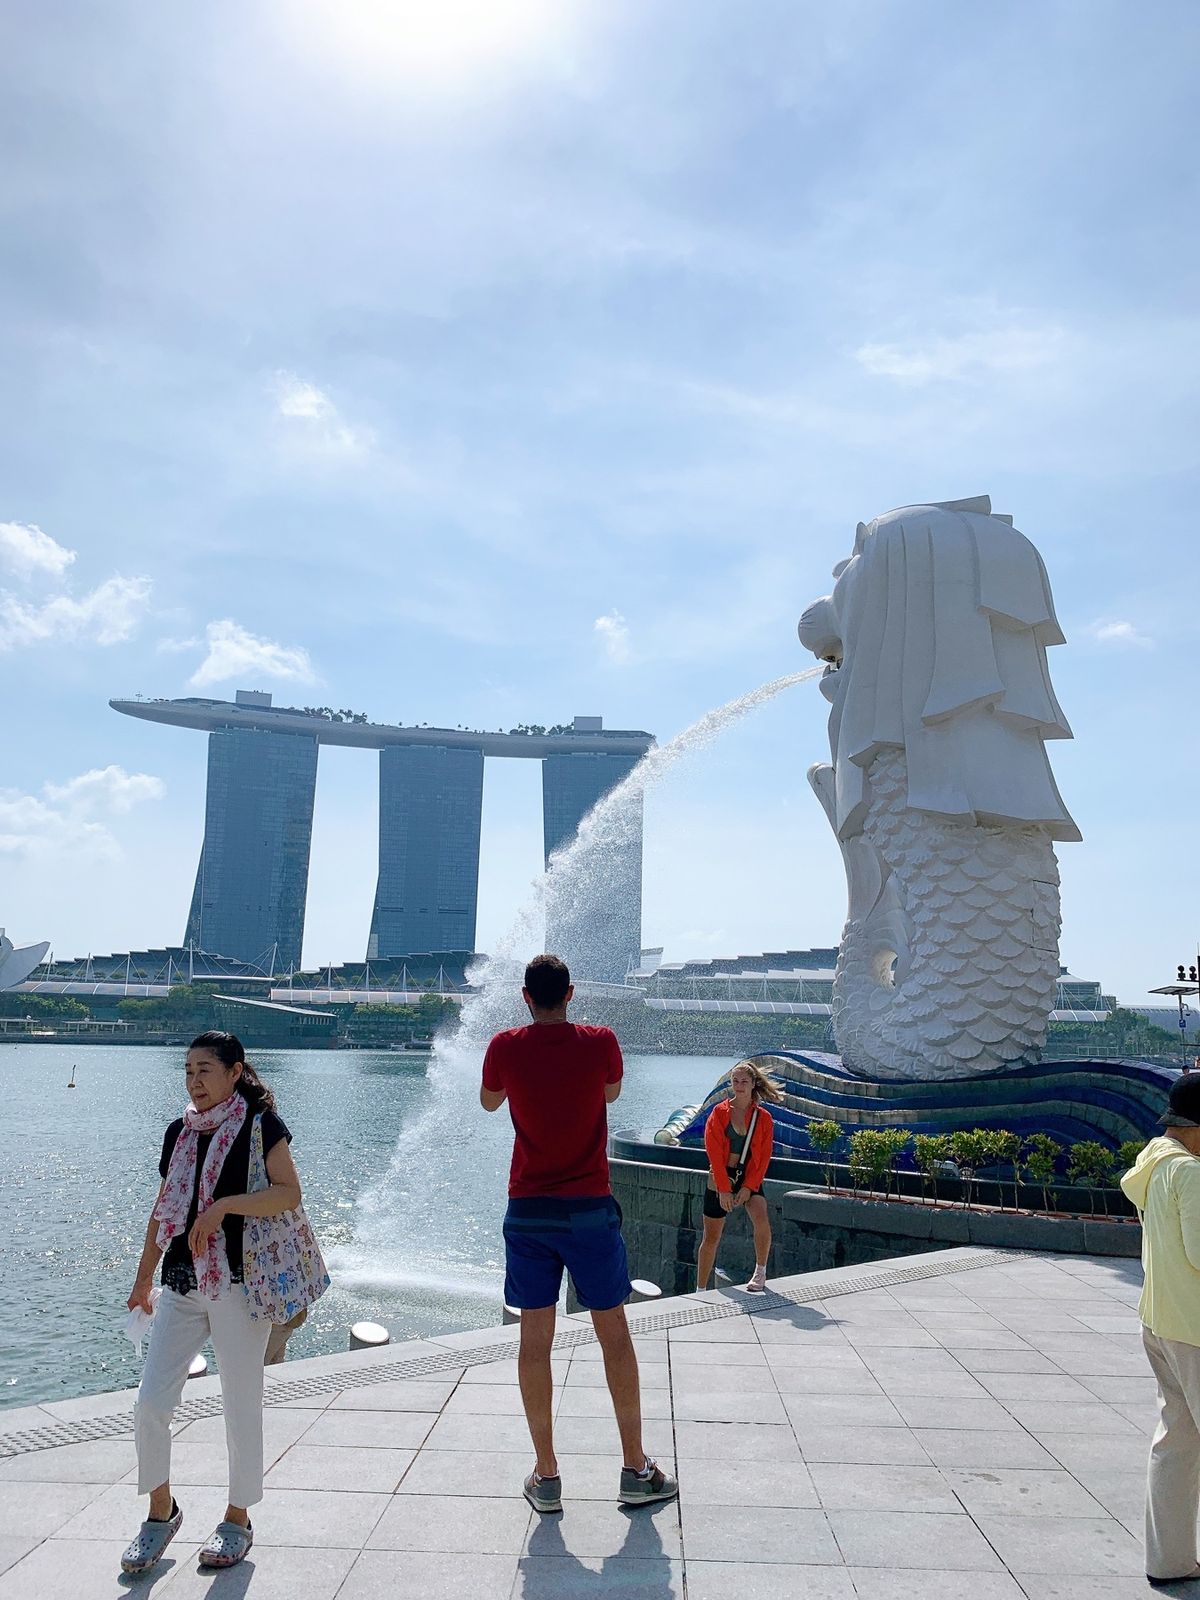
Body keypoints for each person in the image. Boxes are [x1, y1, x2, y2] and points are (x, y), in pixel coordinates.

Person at [481, 953, 678, 1515]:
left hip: (529, 1210)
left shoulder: (504, 1046)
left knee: (534, 1341)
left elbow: (490, 1102)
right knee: (614, 1334)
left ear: (525, 997)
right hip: (590, 1207)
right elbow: (611, 1093)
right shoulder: (600, 1041)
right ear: (571, 994)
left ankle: (546, 1476)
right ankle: (635, 1469)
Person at [121, 1032, 305, 1577]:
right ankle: (161, 1512)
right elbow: (163, 1207)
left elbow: (288, 1192)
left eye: (205, 1069)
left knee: (241, 1403)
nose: (194, 1081)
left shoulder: (260, 1124)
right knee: (150, 1403)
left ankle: (237, 1517)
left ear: (235, 1071)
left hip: (239, 1285)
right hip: (182, 1282)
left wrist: (222, 1207)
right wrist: (142, 1278)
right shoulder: (179, 1131)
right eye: (188, 1070)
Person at [1121, 1075, 1200, 1584]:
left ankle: (1170, 1561)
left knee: (1177, 1443)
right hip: (1195, 1327)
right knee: (1178, 1443)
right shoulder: (1190, 1172)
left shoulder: (1153, 1160)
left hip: (1160, 1320)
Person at [697, 1059, 780, 1293]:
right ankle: (700, 1288)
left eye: (744, 1081)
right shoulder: (719, 1112)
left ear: (753, 1084)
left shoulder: (763, 1117)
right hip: (721, 1175)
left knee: (760, 1216)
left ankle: (760, 1272)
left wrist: (749, 1186)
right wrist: (724, 1189)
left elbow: (764, 1156)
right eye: (735, 1081)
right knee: (711, 1236)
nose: (739, 1085)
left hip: (748, 1175)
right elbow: (713, 1152)